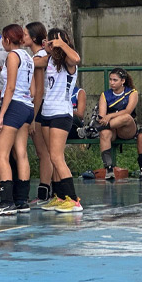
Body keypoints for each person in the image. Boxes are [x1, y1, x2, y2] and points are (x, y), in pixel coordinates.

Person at [0, 24, 34, 215]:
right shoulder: (28, 57)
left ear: (7, 39)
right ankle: (22, 200)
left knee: (0, 155)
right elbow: (29, 88)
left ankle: (6, 201)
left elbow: (11, 87)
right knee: (21, 153)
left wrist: (2, 115)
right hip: (27, 106)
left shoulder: (12, 56)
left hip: (14, 106)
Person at [37, 28, 83, 213]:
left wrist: (61, 44)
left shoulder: (68, 62)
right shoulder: (48, 60)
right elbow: (33, 63)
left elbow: (76, 59)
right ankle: (59, 196)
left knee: (57, 156)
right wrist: (45, 49)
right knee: (52, 157)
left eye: (54, 40)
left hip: (61, 113)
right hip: (47, 112)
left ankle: (73, 200)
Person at [24, 21, 54, 207]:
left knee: (45, 153)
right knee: (47, 153)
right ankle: (49, 191)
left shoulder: (40, 58)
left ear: (34, 38)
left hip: (42, 108)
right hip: (44, 107)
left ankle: (44, 192)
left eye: (25, 34)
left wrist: (33, 118)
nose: (23, 37)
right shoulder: (37, 56)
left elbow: (40, 90)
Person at [97, 68, 138, 180]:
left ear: (122, 81)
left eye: (115, 80)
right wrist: (105, 119)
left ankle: (95, 129)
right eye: (110, 80)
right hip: (112, 129)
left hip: (126, 129)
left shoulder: (132, 93)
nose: (111, 82)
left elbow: (128, 111)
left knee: (126, 117)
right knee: (104, 133)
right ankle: (109, 168)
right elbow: (102, 116)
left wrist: (110, 116)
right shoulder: (105, 95)